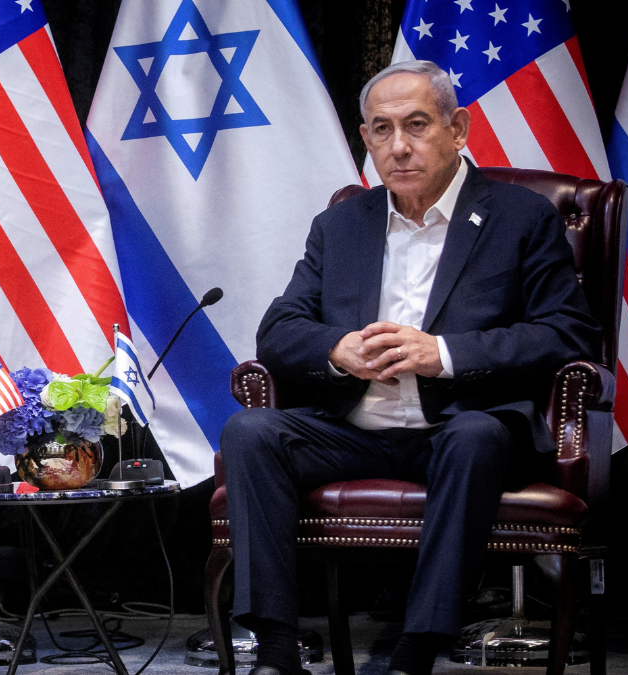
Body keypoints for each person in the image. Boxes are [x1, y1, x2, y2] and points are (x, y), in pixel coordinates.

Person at [220, 60, 599, 675]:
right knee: (251, 432)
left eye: (417, 125)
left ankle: (418, 648)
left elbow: (568, 332)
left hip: (461, 426)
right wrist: (338, 350)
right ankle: (276, 649)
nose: (399, 146)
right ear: (366, 139)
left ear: (458, 128)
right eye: (381, 130)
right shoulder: (341, 225)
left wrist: (442, 355)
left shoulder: (520, 218)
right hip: (353, 430)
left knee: (477, 436)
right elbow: (279, 332)